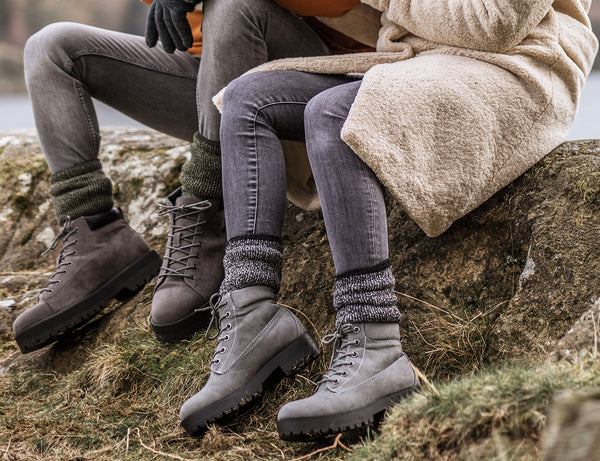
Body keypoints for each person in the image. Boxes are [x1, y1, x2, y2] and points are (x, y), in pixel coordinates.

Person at [179, 0, 598, 439]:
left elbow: (496, 24)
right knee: (247, 100)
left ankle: (376, 347)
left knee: (335, 114)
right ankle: (250, 318)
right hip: (415, 62)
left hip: (517, 68)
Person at [12, 0, 370, 353]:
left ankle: (207, 208)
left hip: (327, 75)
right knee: (50, 47)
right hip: (217, 77)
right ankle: (98, 236)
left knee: (232, 4)